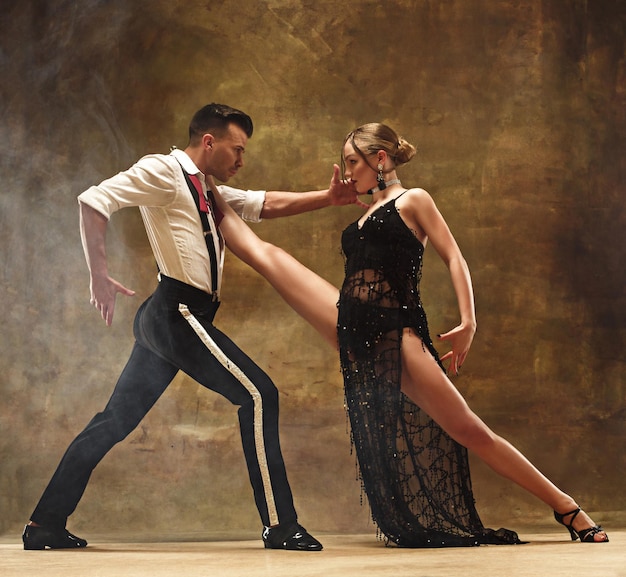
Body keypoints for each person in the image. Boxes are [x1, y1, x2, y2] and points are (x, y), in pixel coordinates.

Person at [22, 103, 359, 552]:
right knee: (259, 395)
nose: (241, 160)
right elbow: (94, 200)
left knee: (114, 421)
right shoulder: (163, 170)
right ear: (208, 142)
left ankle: (44, 525)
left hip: (171, 318)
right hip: (177, 312)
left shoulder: (205, 187)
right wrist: (97, 275)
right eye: (236, 150)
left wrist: (328, 197)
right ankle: (280, 525)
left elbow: (261, 204)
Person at [283, 123, 610, 547]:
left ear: (379, 159)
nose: (348, 173)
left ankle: (566, 507)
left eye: (352, 162)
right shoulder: (363, 211)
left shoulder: (412, 199)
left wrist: (468, 321)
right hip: (359, 334)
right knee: (274, 262)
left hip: (397, 330)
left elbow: (453, 255)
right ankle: (222, 212)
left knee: (470, 431)